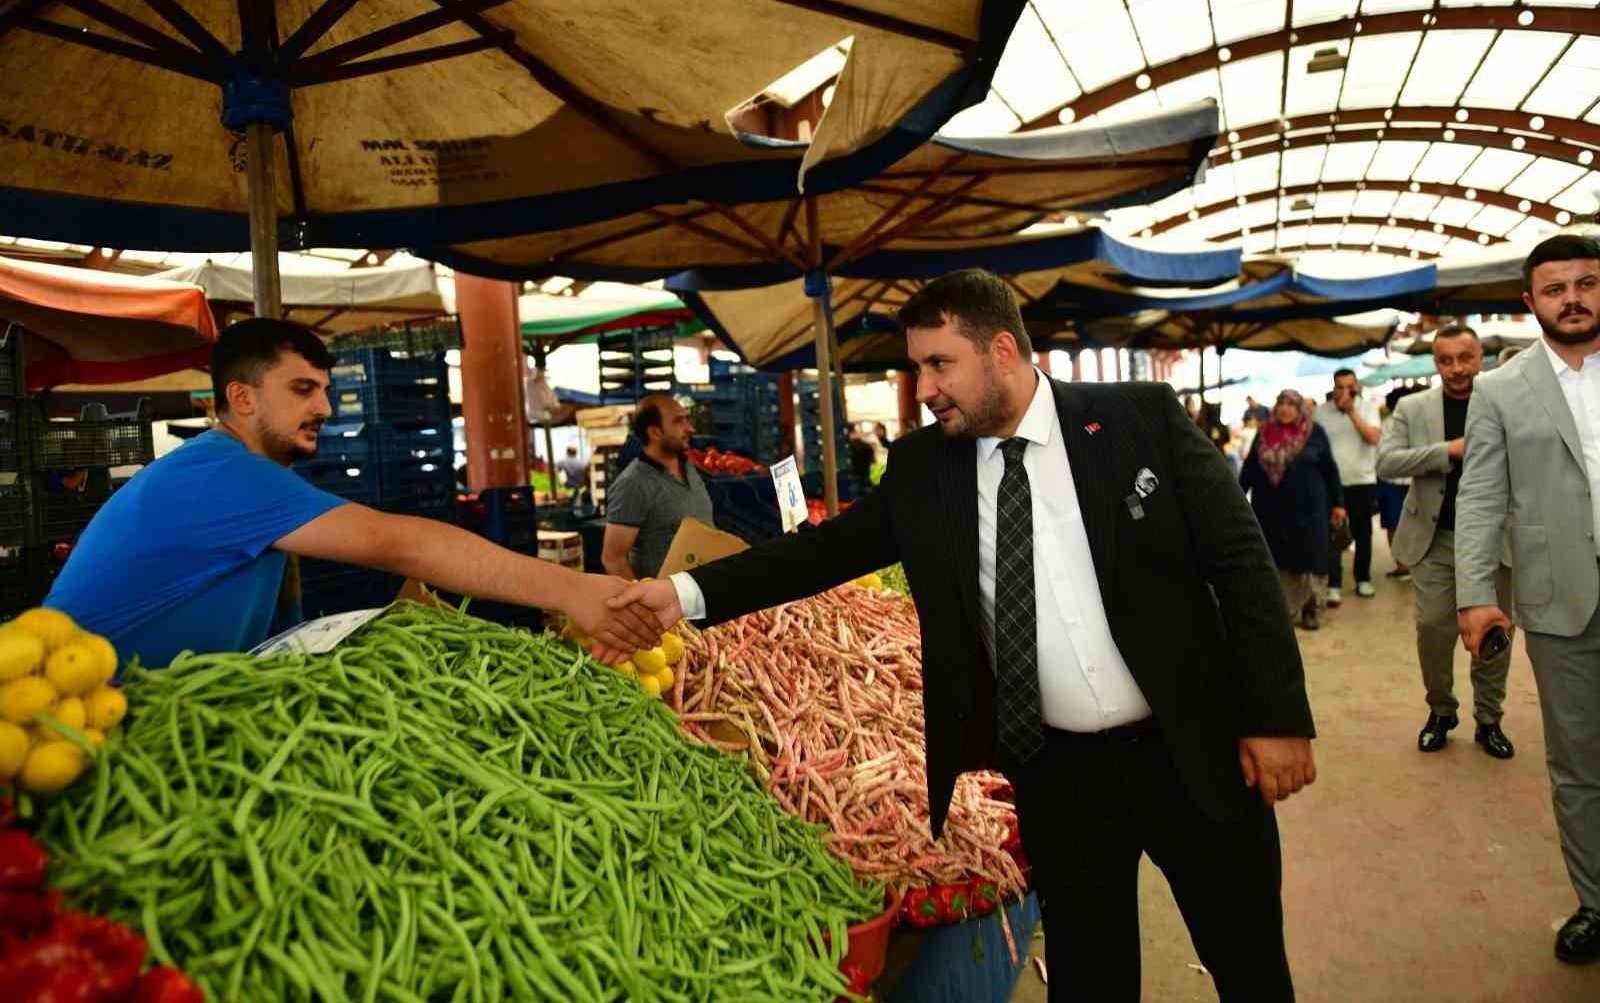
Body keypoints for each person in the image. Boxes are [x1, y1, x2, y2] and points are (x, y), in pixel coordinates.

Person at [612, 269, 1316, 1002]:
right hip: (1061, 775)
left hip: (1192, 748)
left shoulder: (1140, 419)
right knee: (1090, 982)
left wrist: (1276, 716)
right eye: (916, 367)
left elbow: (1241, 562)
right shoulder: (925, 469)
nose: (924, 389)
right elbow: (819, 554)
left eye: (939, 364)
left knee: (1250, 965)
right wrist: (680, 593)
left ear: (1003, 351)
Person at [43, 319, 658, 667]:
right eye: (303, 390)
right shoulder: (219, 474)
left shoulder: (238, 473)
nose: (326, 408)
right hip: (96, 722)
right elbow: (400, 545)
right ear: (242, 398)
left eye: (326, 391)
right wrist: (572, 589)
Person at [1456, 234, 1600, 965]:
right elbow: (1480, 495)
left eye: (1586, 283)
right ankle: (1597, 902)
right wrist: (1476, 594)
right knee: (1579, 763)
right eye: (1555, 288)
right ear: (1530, 302)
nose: (1572, 298)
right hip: (1560, 599)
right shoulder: (1500, 390)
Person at [1377, 326, 1515, 759]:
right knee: (1434, 629)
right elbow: (1385, 461)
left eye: (1465, 357)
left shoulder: (1505, 399)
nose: (1457, 369)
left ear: (1481, 357)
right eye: (1446, 360)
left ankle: (1489, 719)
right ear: (1436, 363)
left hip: (1495, 537)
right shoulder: (1413, 408)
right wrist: (1447, 450)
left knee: (1494, 632)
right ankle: (1442, 711)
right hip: (1434, 538)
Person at [1240, 390, 1346, 631]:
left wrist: (1338, 503)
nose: (1286, 409)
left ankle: (1309, 610)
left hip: (1309, 511)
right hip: (1270, 511)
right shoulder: (1263, 433)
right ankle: (1282, 609)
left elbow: (1330, 470)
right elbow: (1248, 471)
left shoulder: (1314, 432)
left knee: (1309, 560)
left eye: (1291, 405)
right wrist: (1236, 498)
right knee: (1277, 561)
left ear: (1300, 409)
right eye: (1282, 404)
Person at [602, 394, 714, 580]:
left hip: (703, 594)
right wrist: (642, 604)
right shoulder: (633, 484)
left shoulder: (687, 465)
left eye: (687, 419)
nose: (690, 428)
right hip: (669, 604)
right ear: (654, 432)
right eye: (679, 422)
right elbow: (613, 559)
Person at [1315, 369, 1381, 605]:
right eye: (1339, 386)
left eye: (1349, 386)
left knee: (1363, 533)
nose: (1344, 391)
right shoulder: (1321, 412)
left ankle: (1363, 578)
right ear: (1333, 387)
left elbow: (1373, 438)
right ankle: (1333, 584)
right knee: (1332, 533)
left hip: (1362, 480)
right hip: (1331, 483)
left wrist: (1351, 410)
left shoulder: (1367, 407)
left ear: (1357, 387)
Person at [1376, 387, 1413, 582]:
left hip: (1394, 482)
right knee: (1399, 524)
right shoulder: (1414, 420)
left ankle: (1402, 565)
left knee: (1394, 524)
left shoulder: (1387, 424)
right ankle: (1405, 565)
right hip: (1408, 480)